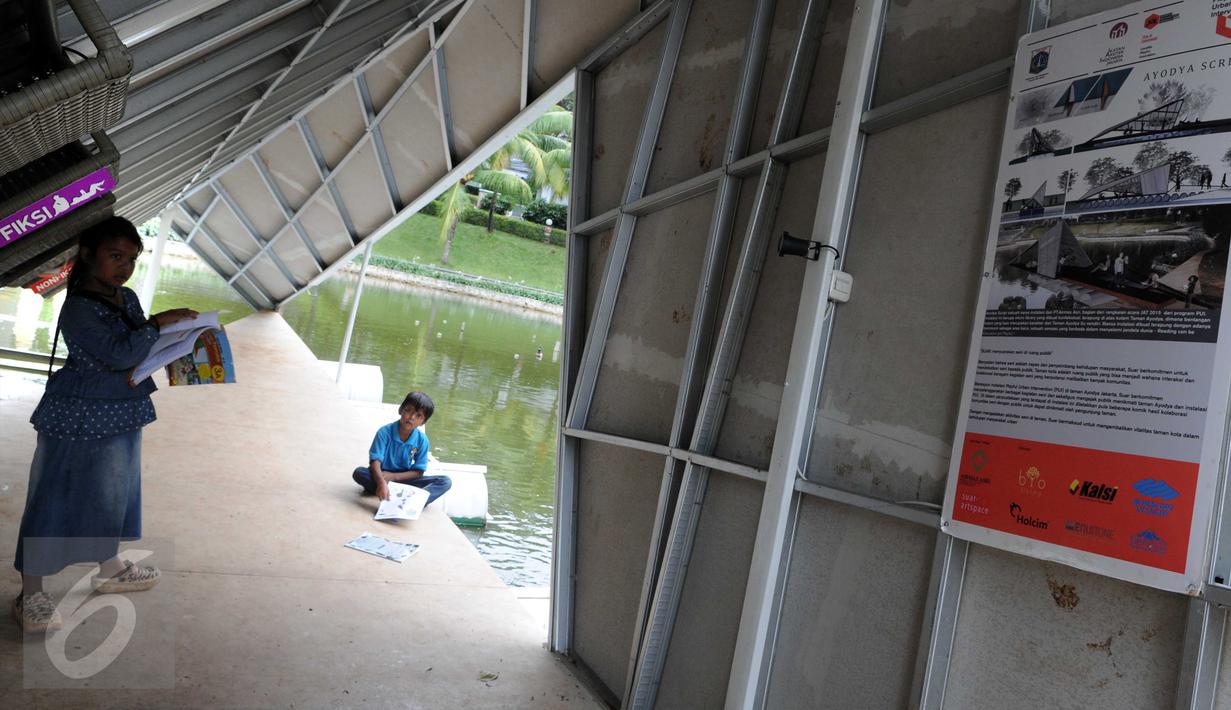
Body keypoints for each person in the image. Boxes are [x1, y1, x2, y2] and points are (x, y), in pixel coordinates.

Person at [12, 217, 198, 633]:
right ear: (88, 255)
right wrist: (156, 326)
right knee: (53, 497)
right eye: (116, 256)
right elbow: (117, 354)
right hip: (76, 416)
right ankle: (32, 590)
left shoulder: (126, 298)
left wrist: (182, 337)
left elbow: (136, 349)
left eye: (131, 259)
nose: (125, 267)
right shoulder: (77, 306)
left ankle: (110, 568)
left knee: (113, 493)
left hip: (122, 410)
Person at [352, 391, 452, 505]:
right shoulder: (384, 432)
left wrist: (394, 476)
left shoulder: (422, 440)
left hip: (405, 479)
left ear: (423, 422)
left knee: (445, 481)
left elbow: (419, 471)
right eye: (409, 411)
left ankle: (413, 503)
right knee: (359, 473)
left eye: (418, 415)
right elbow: (375, 461)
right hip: (382, 476)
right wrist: (381, 482)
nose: (411, 417)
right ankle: (386, 491)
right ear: (401, 410)